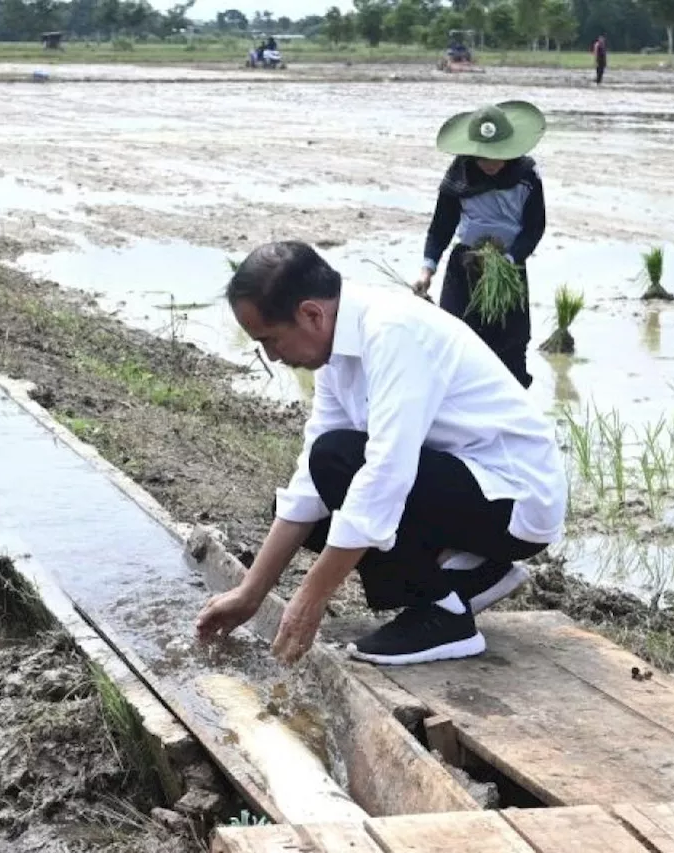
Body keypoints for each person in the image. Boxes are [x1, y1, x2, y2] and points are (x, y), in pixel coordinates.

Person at [196, 242, 566, 666]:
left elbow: (386, 473)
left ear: (312, 314)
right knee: (318, 498)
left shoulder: (392, 331)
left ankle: (445, 615)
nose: (273, 356)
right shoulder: (337, 350)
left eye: (271, 340)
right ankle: (475, 574)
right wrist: (250, 594)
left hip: (516, 498)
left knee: (339, 461)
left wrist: (310, 598)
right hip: (465, 487)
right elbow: (309, 486)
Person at [414, 101, 546, 389]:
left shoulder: (527, 176)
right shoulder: (458, 175)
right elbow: (441, 227)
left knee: (512, 344)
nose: (489, 163)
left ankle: (512, 411)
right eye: (482, 156)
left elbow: (535, 227)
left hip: (508, 267)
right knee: (456, 338)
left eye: (497, 156)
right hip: (466, 263)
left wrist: (511, 259)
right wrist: (427, 268)